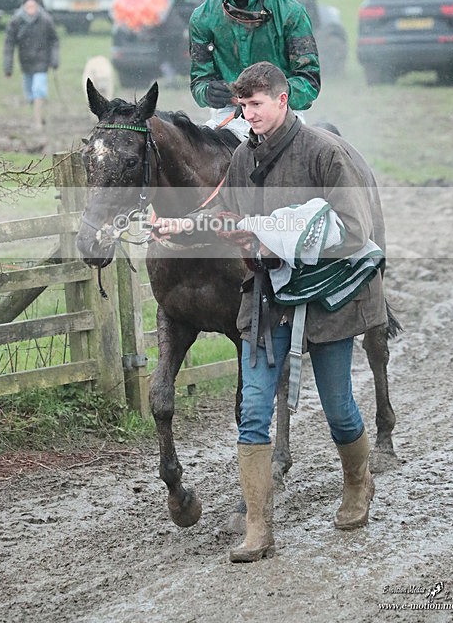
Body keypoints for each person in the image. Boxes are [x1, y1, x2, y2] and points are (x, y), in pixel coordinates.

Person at [155, 61, 386, 563]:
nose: (248, 115)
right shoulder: (243, 157)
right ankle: (258, 527)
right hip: (266, 300)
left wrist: (273, 233)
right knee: (254, 412)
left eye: (256, 105)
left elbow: (351, 228)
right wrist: (180, 225)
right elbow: (228, 215)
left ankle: (357, 483)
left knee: (339, 408)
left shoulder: (325, 154)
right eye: (243, 107)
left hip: (326, 296)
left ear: (283, 101)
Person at [189, 0, 321, 135]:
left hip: (282, 115)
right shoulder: (201, 18)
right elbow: (198, 83)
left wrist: (266, 99)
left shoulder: (290, 11)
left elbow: (309, 81)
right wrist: (208, 92)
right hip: (229, 116)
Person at [3, 0, 59, 130]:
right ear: (23, 7)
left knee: (38, 90)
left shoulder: (45, 20)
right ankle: (39, 113)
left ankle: (38, 122)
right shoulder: (16, 21)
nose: (31, 10)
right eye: (28, 7)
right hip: (26, 63)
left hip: (42, 62)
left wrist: (55, 59)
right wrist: (8, 67)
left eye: (33, 7)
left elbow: (54, 40)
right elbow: (9, 44)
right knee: (30, 94)